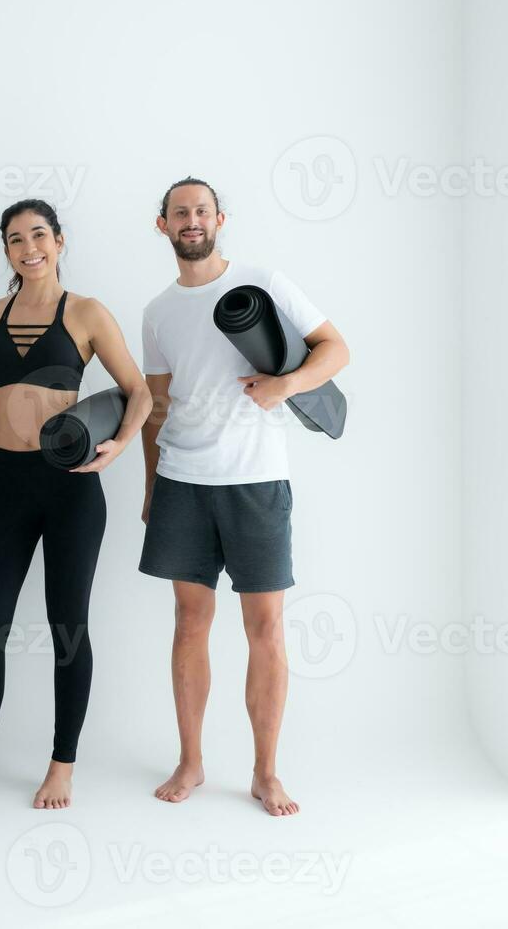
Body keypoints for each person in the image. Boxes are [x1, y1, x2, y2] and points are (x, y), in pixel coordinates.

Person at [0, 200, 151, 813]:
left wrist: (118, 446)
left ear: (59, 242)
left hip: (70, 487)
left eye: (39, 235)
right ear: (7, 252)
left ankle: (62, 767)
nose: (28, 247)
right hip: (6, 485)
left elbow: (139, 390)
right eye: (15, 239)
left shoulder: (87, 312)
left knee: (69, 628)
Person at [138, 178, 351, 816]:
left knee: (265, 629)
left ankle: (265, 773)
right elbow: (155, 411)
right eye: (181, 212)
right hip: (183, 481)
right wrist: (151, 487)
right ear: (164, 225)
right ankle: (192, 761)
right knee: (189, 624)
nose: (192, 220)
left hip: (256, 479)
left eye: (202, 210)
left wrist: (286, 387)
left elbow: (336, 348)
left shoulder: (263, 282)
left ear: (220, 218)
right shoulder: (157, 311)